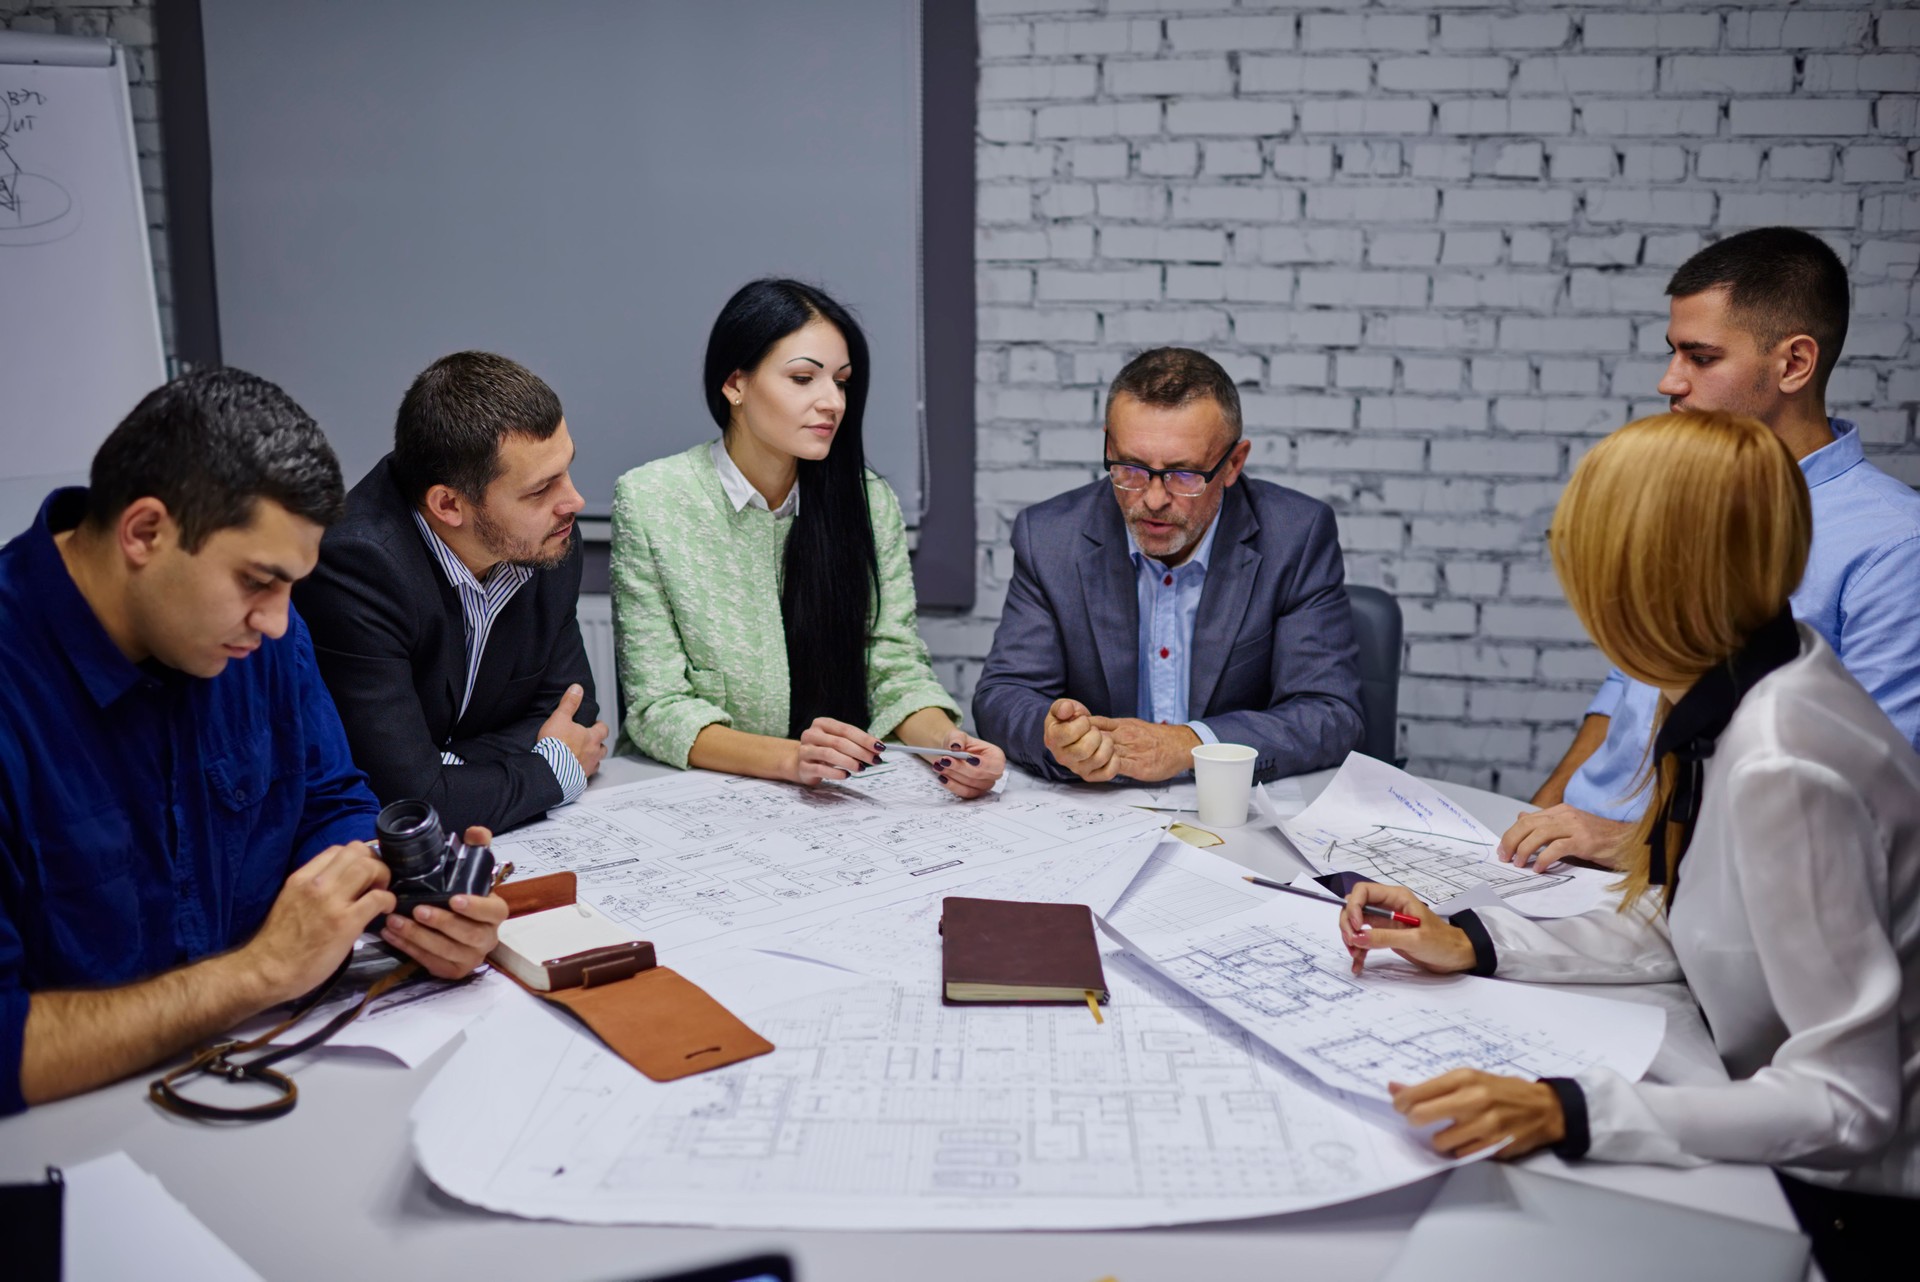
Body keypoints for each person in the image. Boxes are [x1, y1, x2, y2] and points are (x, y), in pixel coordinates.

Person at [1339, 411, 1920, 1278]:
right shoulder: (1751, 671)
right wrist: (1477, 939)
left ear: (1653, 583)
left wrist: (1571, 1111)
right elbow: (1691, 915)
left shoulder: (1784, 761)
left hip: (1856, 1207)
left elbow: (1851, 1100)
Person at [0, 369, 508, 1115]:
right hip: (72, 1134)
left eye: (291, 587)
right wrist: (256, 975)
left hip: (271, 1073)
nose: (276, 624)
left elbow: (329, 801)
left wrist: (411, 911)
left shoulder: (257, 635)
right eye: (256, 582)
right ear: (145, 532)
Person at [1505, 227, 1920, 872]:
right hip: (1574, 866)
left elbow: (1867, 804)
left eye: (1700, 357)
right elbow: (1626, 689)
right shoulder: (1689, 499)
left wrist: (1636, 849)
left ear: (1793, 364)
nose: (1670, 381)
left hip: (1715, 896)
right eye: (1673, 352)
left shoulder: (1895, 545)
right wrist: (1527, 831)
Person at [610, 279, 1003, 797]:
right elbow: (657, 707)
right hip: (694, 792)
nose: (832, 402)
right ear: (735, 384)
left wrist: (950, 748)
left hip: (834, 796)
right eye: (803, 378)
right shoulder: (650, 499)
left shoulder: (866, 500)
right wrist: (793, 758)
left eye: (841, 382)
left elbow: (893, 667)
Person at [973, 347, 1362, 784]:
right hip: (1098, 813)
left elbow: (1329, 713)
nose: (1154, 499)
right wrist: (1055, 736)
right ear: (1107, 445)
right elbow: (1004, 695)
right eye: (1132, 468)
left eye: (1183, 475)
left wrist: (1190, 744)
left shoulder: (1294, 536)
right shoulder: (1048, 539)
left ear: (1233, 463)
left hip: (1231, 810)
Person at [294, 352, 609, 835]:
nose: (573, 502)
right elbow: (411, 799)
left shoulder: (547, 539)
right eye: (540, 489)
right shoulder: (355, 569)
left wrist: (449, 769)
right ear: (448, 504)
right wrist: (552, 769)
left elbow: (574, 708)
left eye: (566, 470)